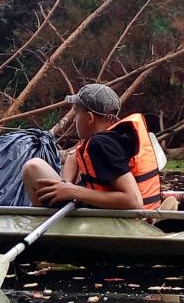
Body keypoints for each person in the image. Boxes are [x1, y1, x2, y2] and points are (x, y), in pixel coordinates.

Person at [22, 83, 162, 210]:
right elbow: (73, 156)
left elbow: (134, 201)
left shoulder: (100, 144)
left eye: (76, 113)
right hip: (137, 215)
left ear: (89, 118)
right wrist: (66, 184)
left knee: (32, 167)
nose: (75, 120)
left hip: (123, 223)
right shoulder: (116, 137)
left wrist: (72, 191)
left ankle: (45, 226)